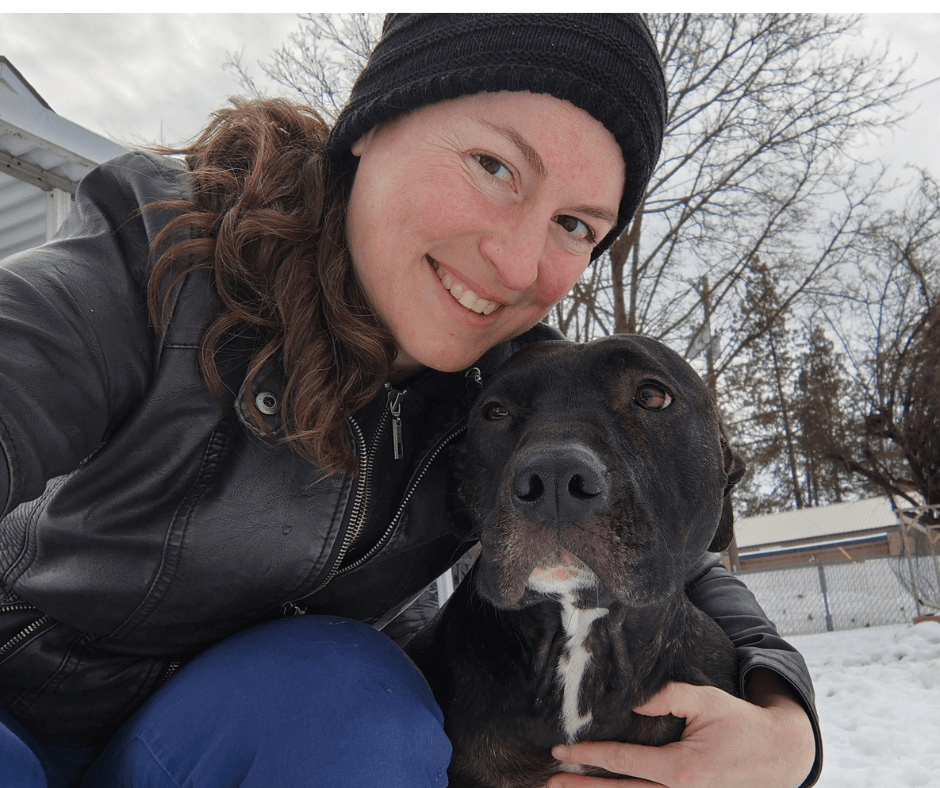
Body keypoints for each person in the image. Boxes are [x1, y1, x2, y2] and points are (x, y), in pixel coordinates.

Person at [0, 13, 820, 788]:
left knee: (355, 702)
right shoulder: (163, 258)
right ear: (372, 124)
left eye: (574, 224)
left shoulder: (510, 392)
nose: (514, 262)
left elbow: (657, 532)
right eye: (494, 167)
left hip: (234, 735)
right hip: (19, 712)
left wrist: (786, 722)